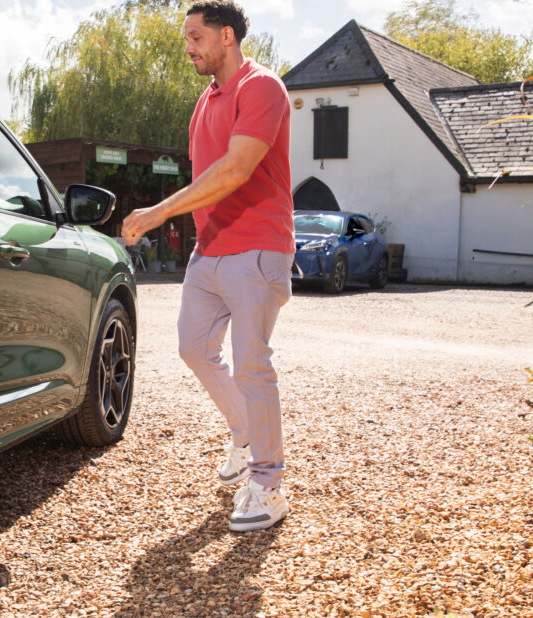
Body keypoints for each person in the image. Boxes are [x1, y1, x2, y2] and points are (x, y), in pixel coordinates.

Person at [122, 0, 293, 532]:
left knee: (251, 364)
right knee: (193, 348)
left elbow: (236, 170)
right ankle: (245, 434)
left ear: (226, 37)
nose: (189, 47)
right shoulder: (205, 101)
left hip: (257, 246)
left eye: (196, 37)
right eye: (187, 38)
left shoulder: (260, 87)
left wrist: (156, 213)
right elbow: (207, 183)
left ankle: (268, 483)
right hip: (210, 251)